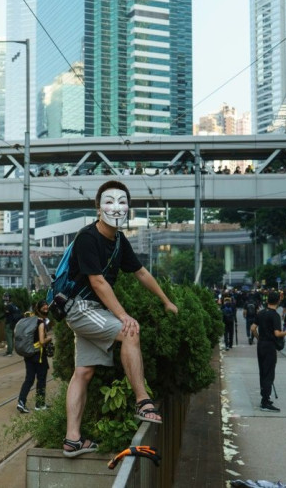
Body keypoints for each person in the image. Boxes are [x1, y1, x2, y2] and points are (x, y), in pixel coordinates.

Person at [62, 180, 178, 458]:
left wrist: (166, 301)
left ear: (128, 208)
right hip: (80, 307)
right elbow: (98, 282)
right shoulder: (87, 237)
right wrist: (124, 316)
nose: (116, 207)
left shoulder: (119, 241)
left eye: (122, 202)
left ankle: (72, 440)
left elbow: (140, 272)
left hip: (93, 311)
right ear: (98, 208)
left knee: (84, 372)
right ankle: (143, 401)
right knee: (129, 332)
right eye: (109, 201)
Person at [250, 290, 286, 412]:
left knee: (263, 371)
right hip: (270, 346)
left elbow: (253, 328)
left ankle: (265, 397)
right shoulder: (275, 315)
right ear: (278, 301)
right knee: (269, 373)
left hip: (261, 345)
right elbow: (277, 333)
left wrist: (259, 338)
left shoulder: (261, 313)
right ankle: (265, 402)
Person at [16, 300, 52, 413]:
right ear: (40, 309)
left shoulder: (29, 321)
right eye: (45, 307)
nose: (46, 308)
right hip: (39, 354)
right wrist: (49, 338)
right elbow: (41, 341)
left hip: (29, 354)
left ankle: (21, 402)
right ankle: (40, 404)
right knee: (41, 379)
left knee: (29, 379)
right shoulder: (40, 322)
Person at [2, 293, 22, 357]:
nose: (4, 298)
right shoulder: (14, 305)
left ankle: (9, 351)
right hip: (14, 323)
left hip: (9, 323)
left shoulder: (8, 306)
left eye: (5, 297)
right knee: (12, 337)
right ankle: (10, 350)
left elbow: (5, 315)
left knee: (9, 337)